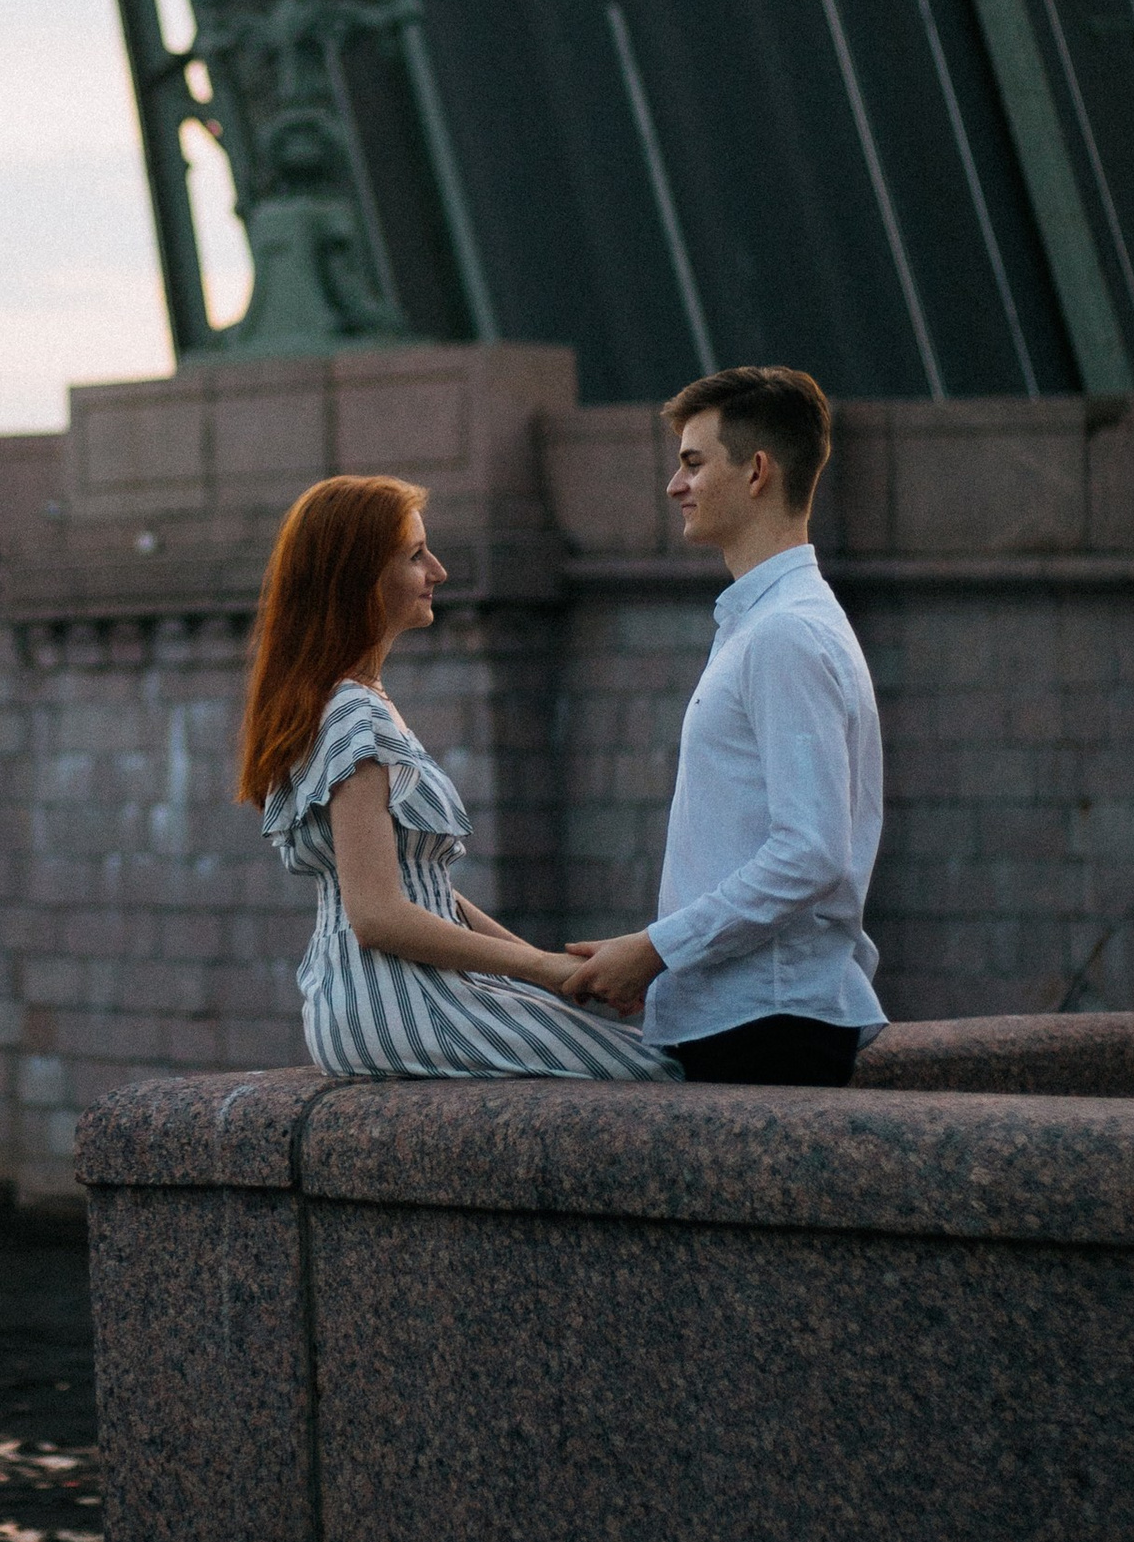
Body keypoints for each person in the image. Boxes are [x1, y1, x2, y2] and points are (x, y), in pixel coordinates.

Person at [238, 472, 679, 1084]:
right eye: (415, 555)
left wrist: (551, 967)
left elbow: (426, 894)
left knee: (627, 1054)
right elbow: (379, 916)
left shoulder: (347, 702)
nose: (438, 571)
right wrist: (545, 972)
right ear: (359, 577)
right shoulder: (351, 712)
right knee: (655, 1072)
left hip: (369, 998)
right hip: (397, 1001)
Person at [563, 366, 884, 1086]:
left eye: (693, 462)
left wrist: (656, 949)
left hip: (765, 1021)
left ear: (757, 472)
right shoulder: (773, 624)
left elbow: (810, 853)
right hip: (755, 1013)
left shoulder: (783, 635)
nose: (675, 485)